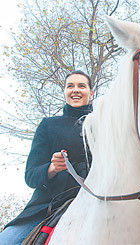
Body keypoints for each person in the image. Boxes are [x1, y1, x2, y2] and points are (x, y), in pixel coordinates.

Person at [0, 70, 94, 244]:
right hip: (47, 207)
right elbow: (31, 176)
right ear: (65, 92)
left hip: (98, 201)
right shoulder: (47, 126)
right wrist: (52, 168)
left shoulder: (104, 124)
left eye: (82, 86)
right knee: (6, 241)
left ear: (91, 92)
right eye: (70, 86)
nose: (75, 90)